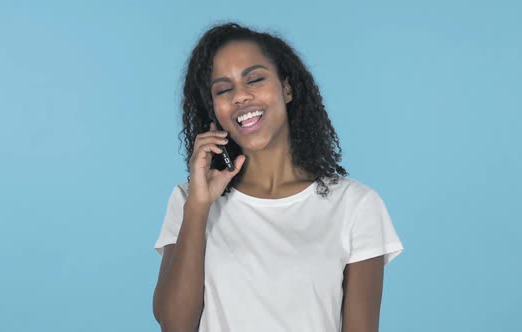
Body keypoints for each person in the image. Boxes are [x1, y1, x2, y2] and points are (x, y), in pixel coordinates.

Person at [152, 22, 404, 332]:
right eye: (223, 89)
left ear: (287, 89)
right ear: (213, 110)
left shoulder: (356, 206)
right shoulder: (189, 201)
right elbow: (174, 326)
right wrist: (198, 208)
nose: (241, 96)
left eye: (255, 79)